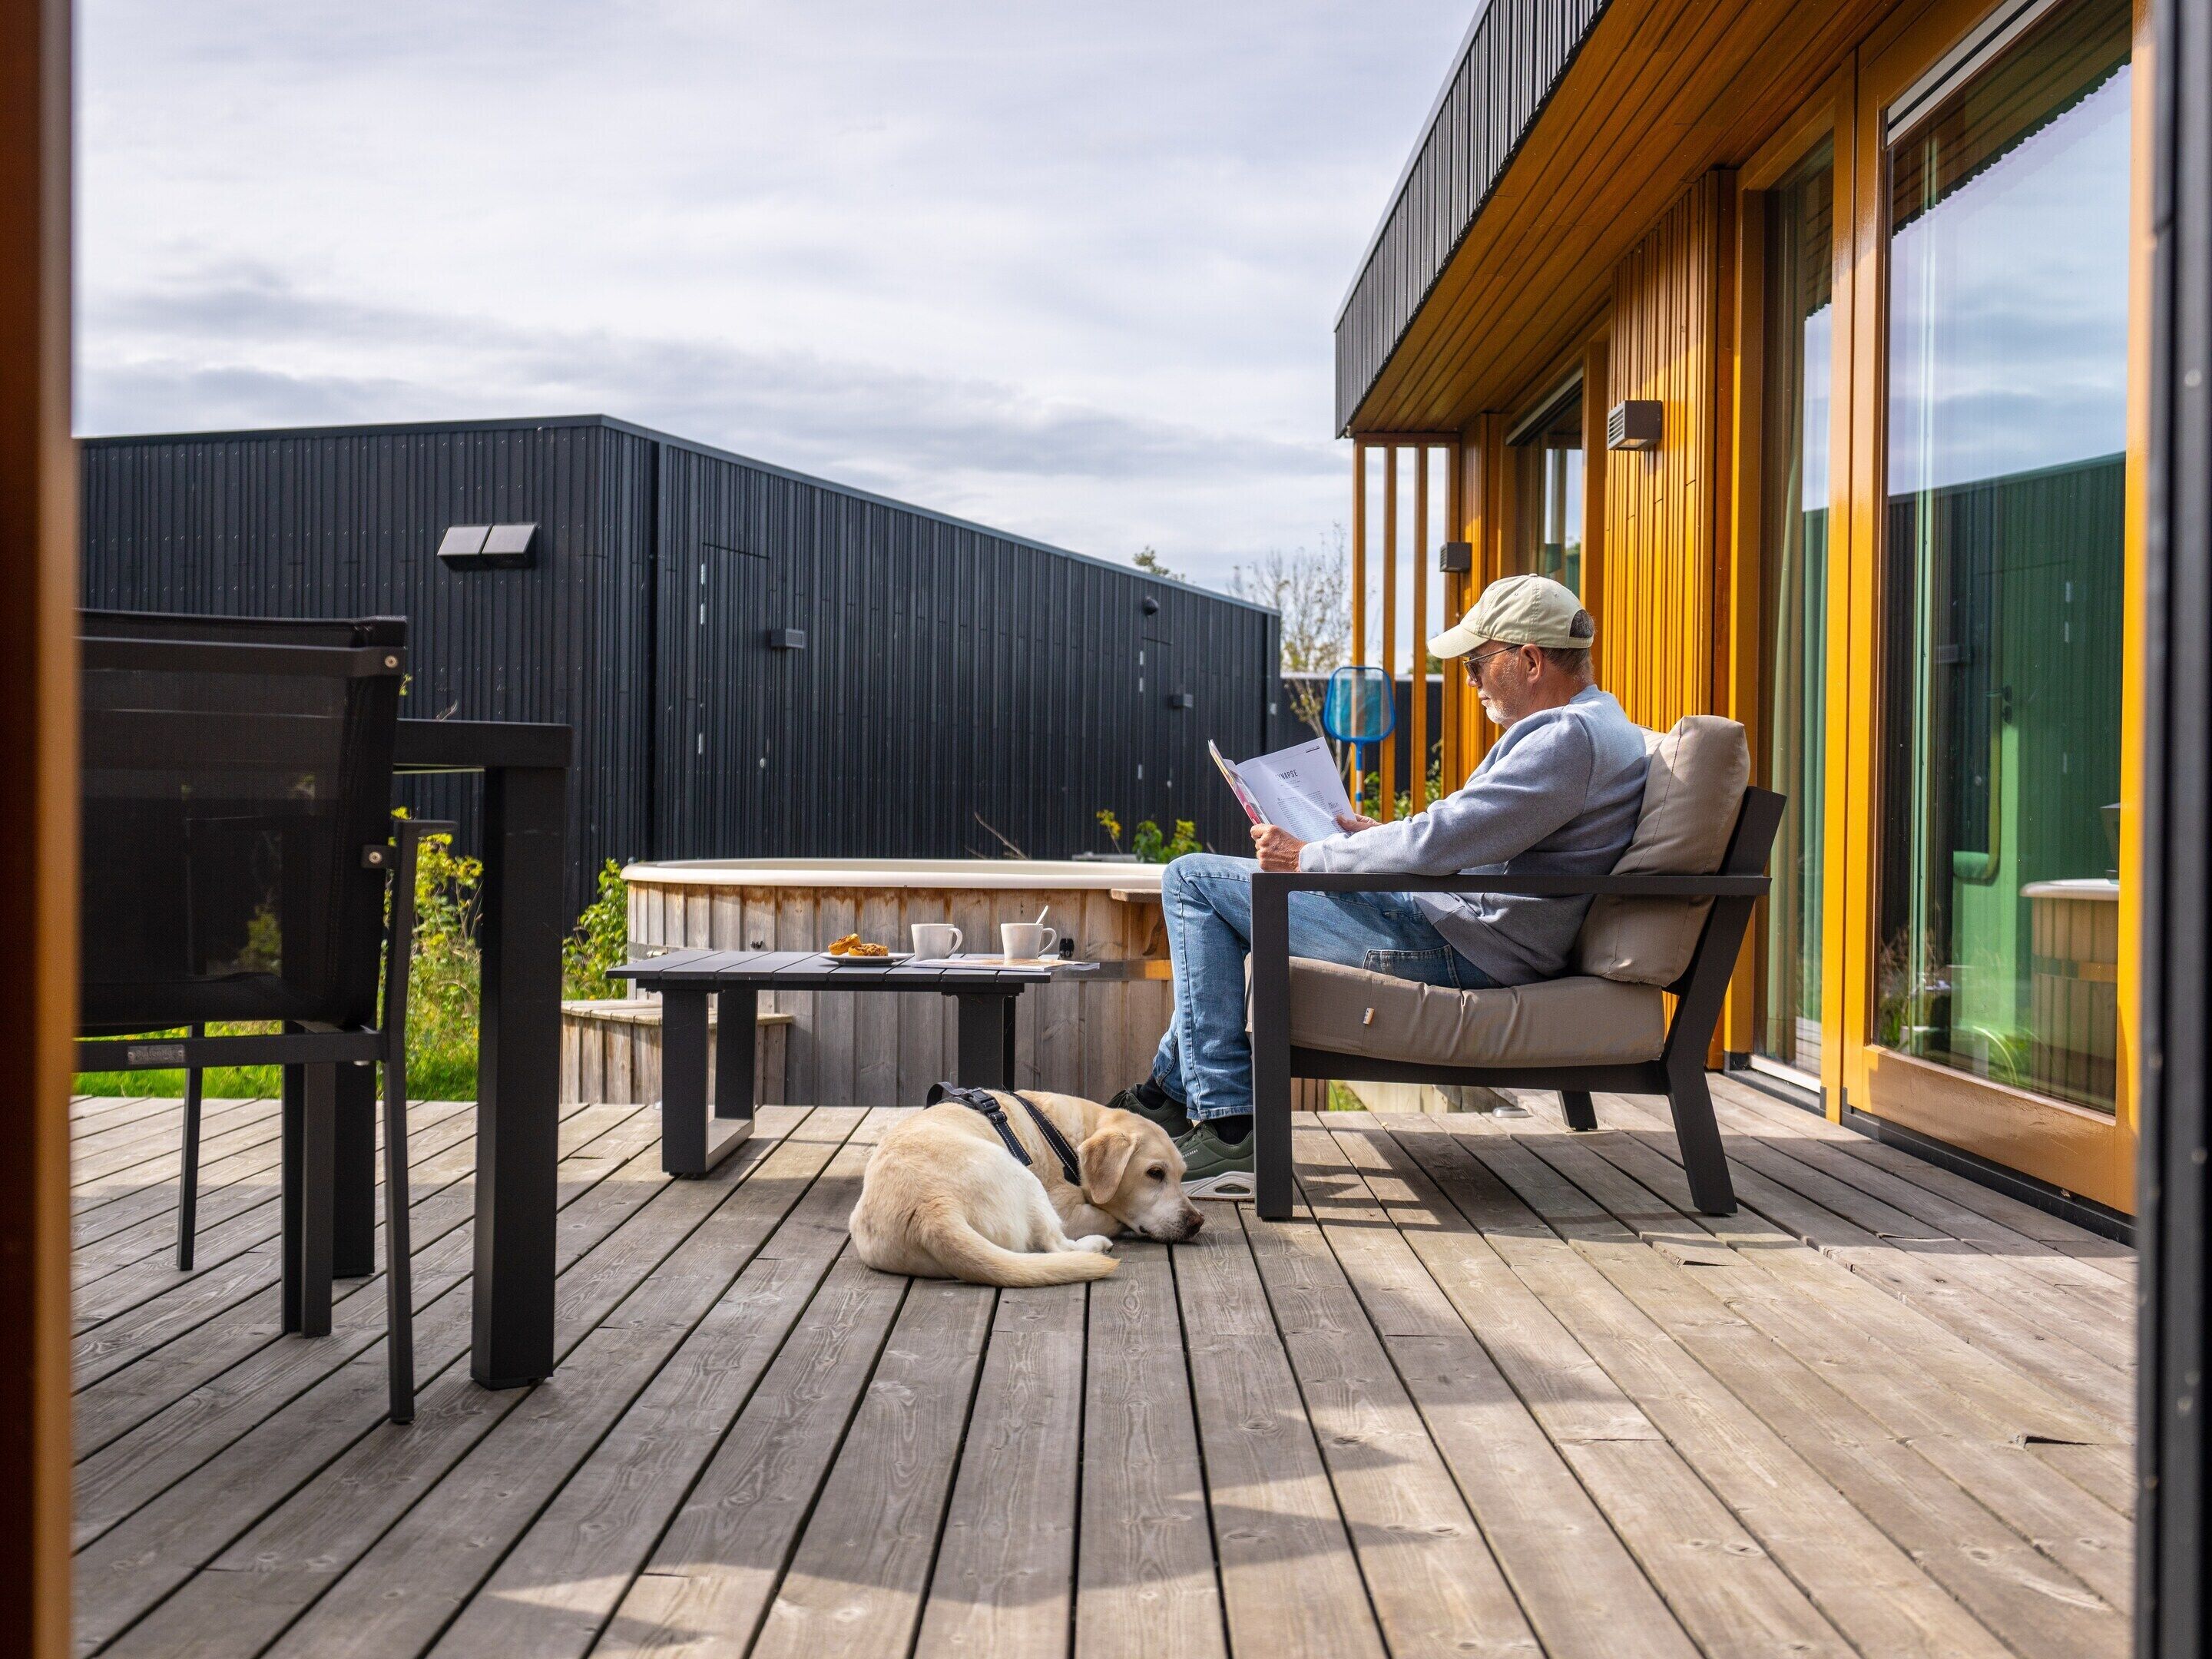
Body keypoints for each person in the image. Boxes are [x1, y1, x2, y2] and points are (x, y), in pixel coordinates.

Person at [1110, 573, 1651, 1199]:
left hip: (1463, 949)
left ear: (1529, 660)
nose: (1470, 681)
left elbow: (1441, 840)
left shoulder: (1567, 738)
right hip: (1458, 920)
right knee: (1224, 885)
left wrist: (1314, 855)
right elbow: (1481, 840)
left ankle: (1228, 1127)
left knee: (1194, 880)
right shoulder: (1596, 726)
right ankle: (1167, 1096)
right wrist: (1375, 838)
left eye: (1478, 663)